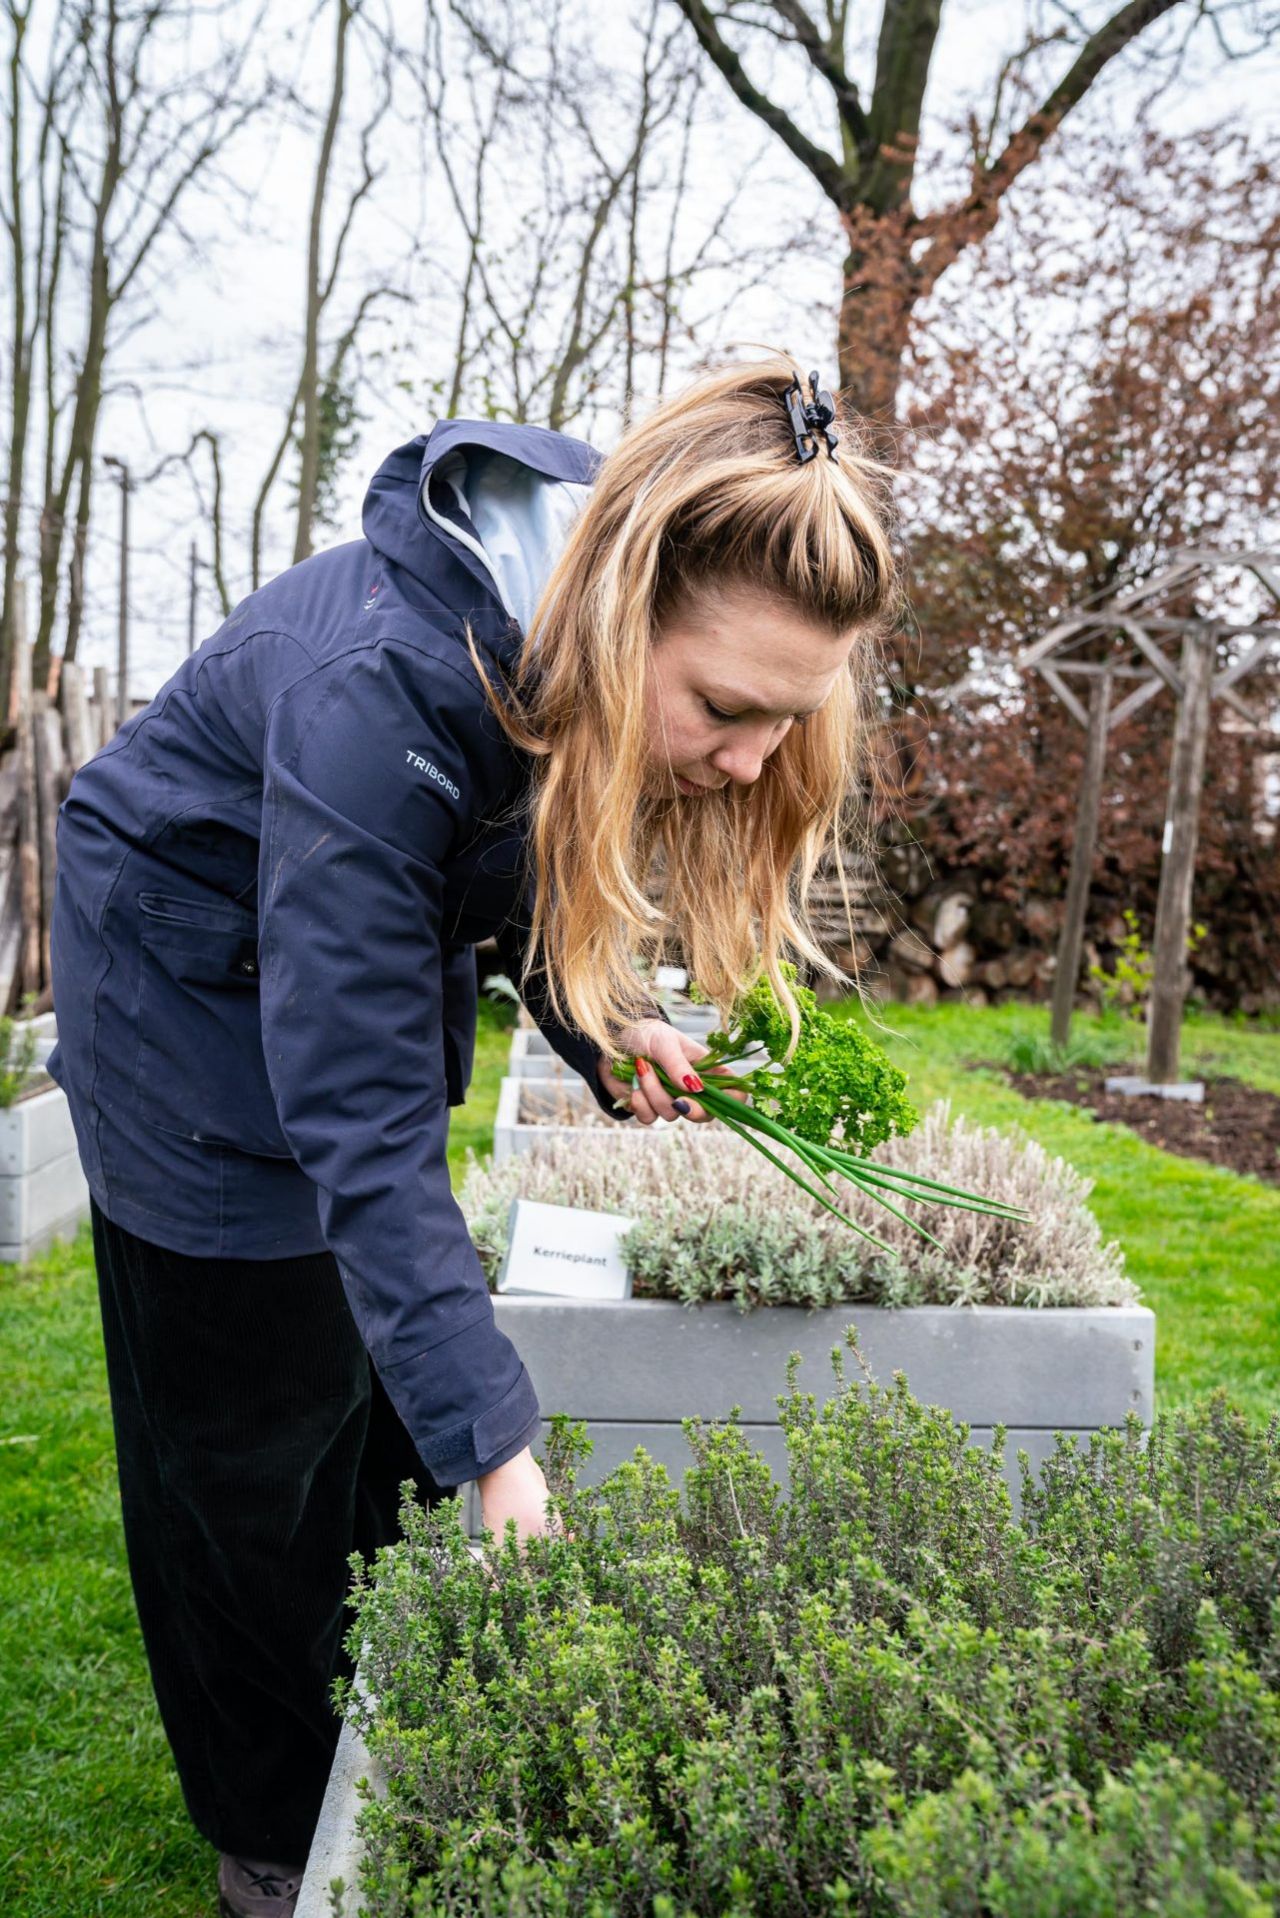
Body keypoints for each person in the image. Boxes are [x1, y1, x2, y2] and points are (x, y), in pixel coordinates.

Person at [47, 355, 895, 1917]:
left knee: (351, 1369)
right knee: (238, 1424)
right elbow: (364, 1134)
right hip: (172, 970)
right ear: (627, 607)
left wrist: (599, 1017)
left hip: (298, 931)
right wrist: (500, 1446)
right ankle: (275, 1833)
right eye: (726, 709)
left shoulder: (561, 593)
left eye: (788, 722)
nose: (751, 762)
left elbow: (505, 858)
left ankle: (365, 1649)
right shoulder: (378, 697)